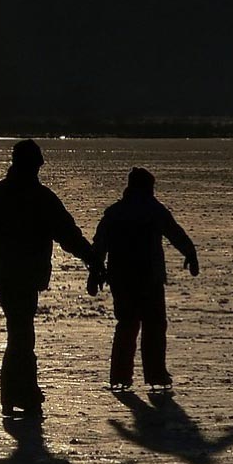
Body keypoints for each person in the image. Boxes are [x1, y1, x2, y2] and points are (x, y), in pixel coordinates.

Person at [0, 139, 96, 418]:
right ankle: (21, 394)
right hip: (22, 276)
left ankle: (18, 393)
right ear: (32, 164)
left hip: (4, 276)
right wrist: (92, 260)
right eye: (37, 163)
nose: (39, 167)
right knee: (21, 334)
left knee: (19, 332)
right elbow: (68, 235)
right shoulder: (39, 197)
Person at [88, 167, 198, 391]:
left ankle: (120, 375)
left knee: (127, 325)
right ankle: (156, 375)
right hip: (150, 278)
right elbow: (174, 233)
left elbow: (100, 245)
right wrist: (190, 252)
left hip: (121, 278)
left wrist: (95, 271)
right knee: (154, 325)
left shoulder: (115, 212)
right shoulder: (154, 210)